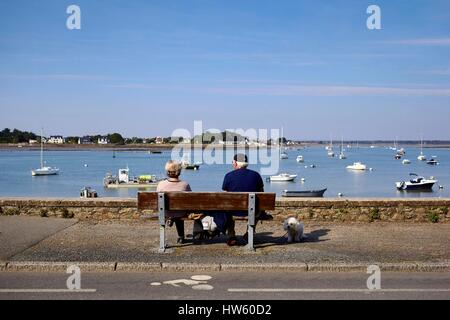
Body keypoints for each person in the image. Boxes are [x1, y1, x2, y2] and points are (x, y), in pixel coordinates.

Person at [222, 153, 267, 246]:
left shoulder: (228, 176)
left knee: (227, 210)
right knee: (256, 209)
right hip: (252, 211)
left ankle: (231, 236)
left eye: (232, 162)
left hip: (233, 211)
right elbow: (262, 194)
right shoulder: (256, 175)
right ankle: (249, 233)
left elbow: (226, 196)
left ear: (235, 163)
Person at [156, 160, 191, 244]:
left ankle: (171, 220)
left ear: (167, 172)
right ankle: (181, 237)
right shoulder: (185, 185)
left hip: (165, 212)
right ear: (179, 172)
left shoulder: (161, 184)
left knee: (172, 212)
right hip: (180, 212)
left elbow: (157, 200)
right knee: (179, 213)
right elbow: (190, 200)